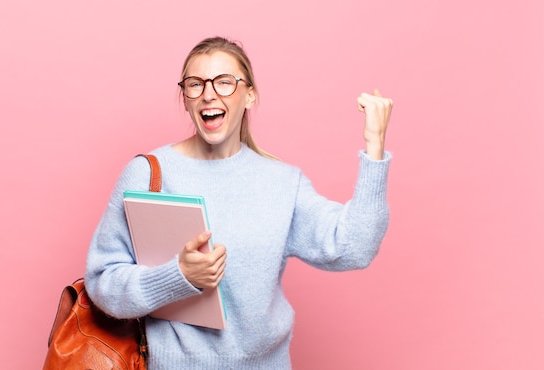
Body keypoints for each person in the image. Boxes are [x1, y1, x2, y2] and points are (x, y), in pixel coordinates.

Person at [85, 36, 393, 369]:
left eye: (224, 82)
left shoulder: (282, 183)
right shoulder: (147, 174)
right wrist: (178, 276)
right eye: (195, 84)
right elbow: (103, 282)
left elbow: (355, 248)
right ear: (185, 98)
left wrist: (374, 146)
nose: (208, 94)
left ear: (249, 95)